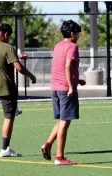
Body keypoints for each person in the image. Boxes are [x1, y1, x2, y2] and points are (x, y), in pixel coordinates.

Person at [0, 23, 36, 157]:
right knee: (9, 117)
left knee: (11, 105)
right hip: (4, 86)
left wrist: (17, 55)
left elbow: (0, 56)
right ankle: (5, 149)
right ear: (6, 35)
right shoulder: (7, 47)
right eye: (9, 37)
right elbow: (19, 68)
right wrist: (31, 76)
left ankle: (15, 108)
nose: (9, 39)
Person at [41, 20, 86, 165]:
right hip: (66, 89)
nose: (79, 35)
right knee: (65, 123)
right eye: (78, 33)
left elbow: (60, 67)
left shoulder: (58, 46)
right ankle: (59, 157)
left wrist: (77, 80)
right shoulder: (72, 47)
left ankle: (47, 144)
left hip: (55, 87)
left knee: (61, 120)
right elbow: (67, 67)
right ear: (72, 34)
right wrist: (72, 87)